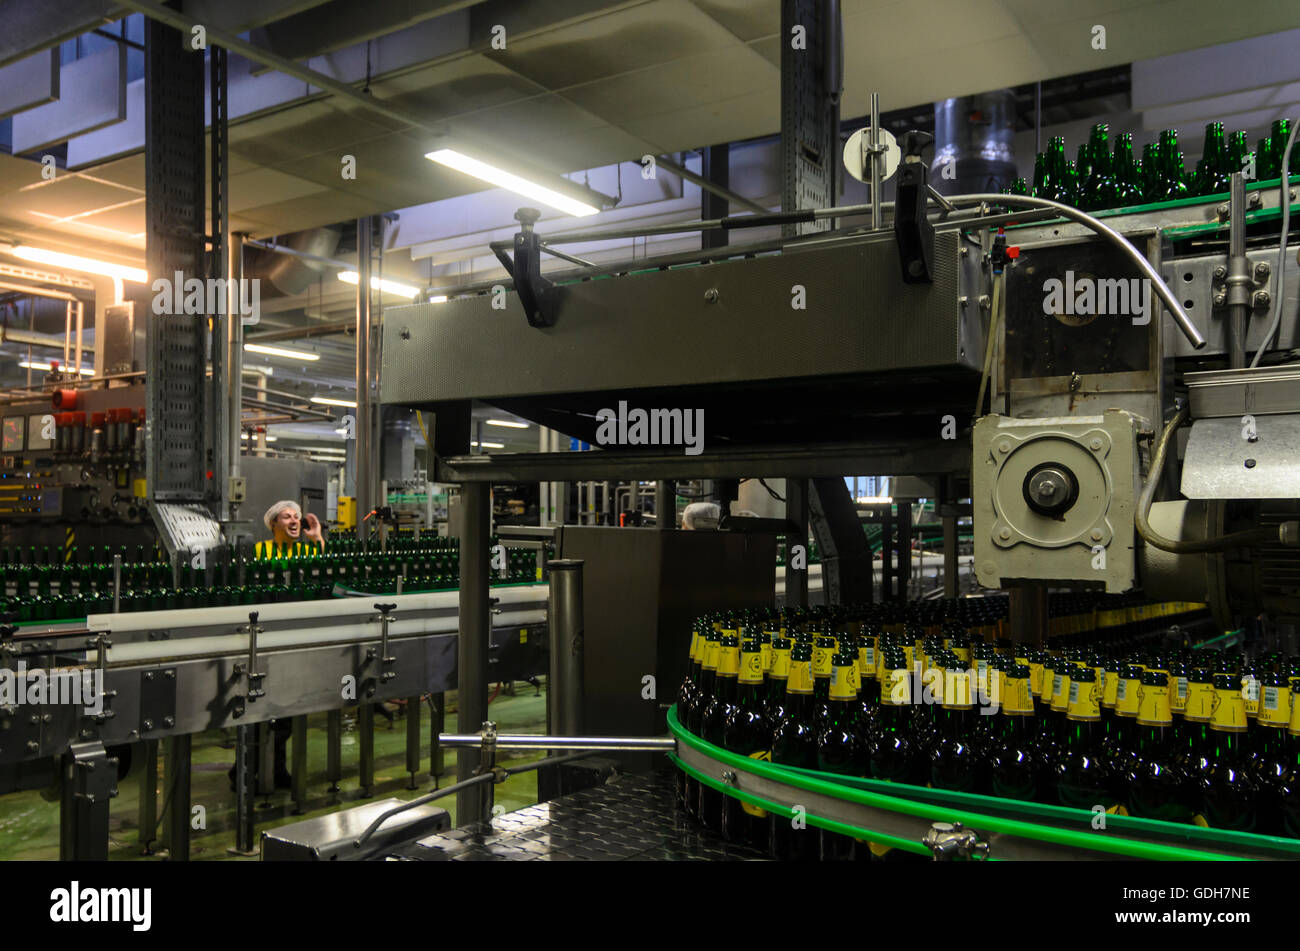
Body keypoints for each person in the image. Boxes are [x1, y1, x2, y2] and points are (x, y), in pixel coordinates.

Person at [257, 499, 325, 559]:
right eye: (287, 517)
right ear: (273, 524)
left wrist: (317, 536)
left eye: (296, 517)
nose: (294, 521)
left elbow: (329, 560)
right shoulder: (262, 549)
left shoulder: (303, 550)